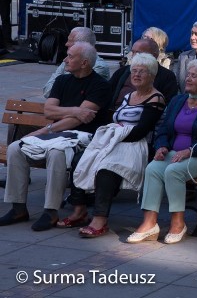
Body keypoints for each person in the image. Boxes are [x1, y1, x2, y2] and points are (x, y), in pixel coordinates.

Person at [0, 43, 111, 231]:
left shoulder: (100, 86)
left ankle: (50, 211)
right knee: (14, 148)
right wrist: (75, 110)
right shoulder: (62, 81)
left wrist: (47, 129)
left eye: (70, 56)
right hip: (56, 134)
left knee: (56, 152)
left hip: (82, 138)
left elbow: (76, 122)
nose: (65, 60)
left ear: (84, 62)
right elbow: (49, 110)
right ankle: (18, 208)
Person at [127, 58, 197, 245]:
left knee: (173, 172)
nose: (188, 79)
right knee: (153, 168)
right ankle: (149, 223)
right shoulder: (177, 101)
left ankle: (178, 223)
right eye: (188, 75)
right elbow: (164, 130)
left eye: (194, 76)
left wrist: (191, 150)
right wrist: (162, 147)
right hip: (174, 153)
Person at [68, 53, 166, 237]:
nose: (136, 75)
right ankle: (79, 209)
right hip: (116, 141)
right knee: (80, 159)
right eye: (134, 71)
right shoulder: (129, 96)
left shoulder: (156, 99)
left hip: (136, 145)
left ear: (152, 75)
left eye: (142, 72)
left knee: (106, 169)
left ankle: (100, 219)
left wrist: (114, 137)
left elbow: (141, 130)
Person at [105, 37, 179, 111]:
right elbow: (107, 91)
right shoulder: (123, 71)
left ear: (154, 55)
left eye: (138, 53)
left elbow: (169, 104)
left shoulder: (166, 76)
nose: (133, 56)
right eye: (133, 52)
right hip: (114, 112)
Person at [42, 27, 112, 97]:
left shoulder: (99, 67)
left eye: (70, 42)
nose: (66, 44)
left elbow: (77, 96)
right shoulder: (67, 61)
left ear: (84, 46)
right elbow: (47, 91)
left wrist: (57, 91)